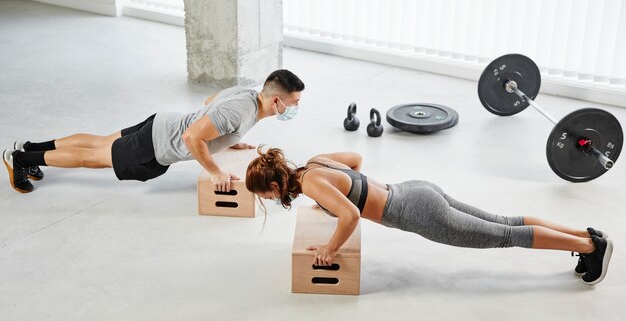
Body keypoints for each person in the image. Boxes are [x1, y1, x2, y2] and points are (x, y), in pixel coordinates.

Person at [245, 147, 613, 286]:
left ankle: (589, 245)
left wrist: (328, 248)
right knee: (507, 221)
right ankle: (584, 234)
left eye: (263, 195)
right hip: (415, 189)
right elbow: (355, 161)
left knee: (505, 235)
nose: (266, 200)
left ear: (274, 188)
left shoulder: (310, 185)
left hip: (417, 213)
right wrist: (330, 201)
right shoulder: (313, 164)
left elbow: (351, 217)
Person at [3, 70, 305, 193]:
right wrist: (215, 171)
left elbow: (209, 103)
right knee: (91, 158)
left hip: (161, 123)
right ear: (277, 100)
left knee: (99, 141)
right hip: (158, 144)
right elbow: (191, 137)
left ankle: (29, 146)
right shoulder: (241, 112)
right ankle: (22, 159)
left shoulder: (248, 95)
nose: (295, 108)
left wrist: (228, 140)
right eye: (293, 103)